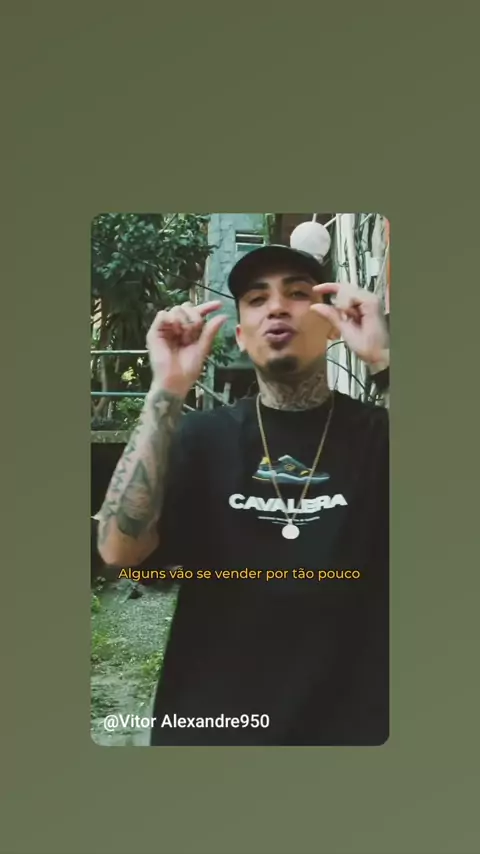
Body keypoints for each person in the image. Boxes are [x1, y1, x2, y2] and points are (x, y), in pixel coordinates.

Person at [97, 244, 390, 746]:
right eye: (256, 299)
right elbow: (118, 549)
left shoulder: (379, 435)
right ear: (240, 335)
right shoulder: (198, 438)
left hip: (353, 733)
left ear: (332, 326)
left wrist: (384, 360)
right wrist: (166, 388)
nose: (276, 307)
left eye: (297, 294)